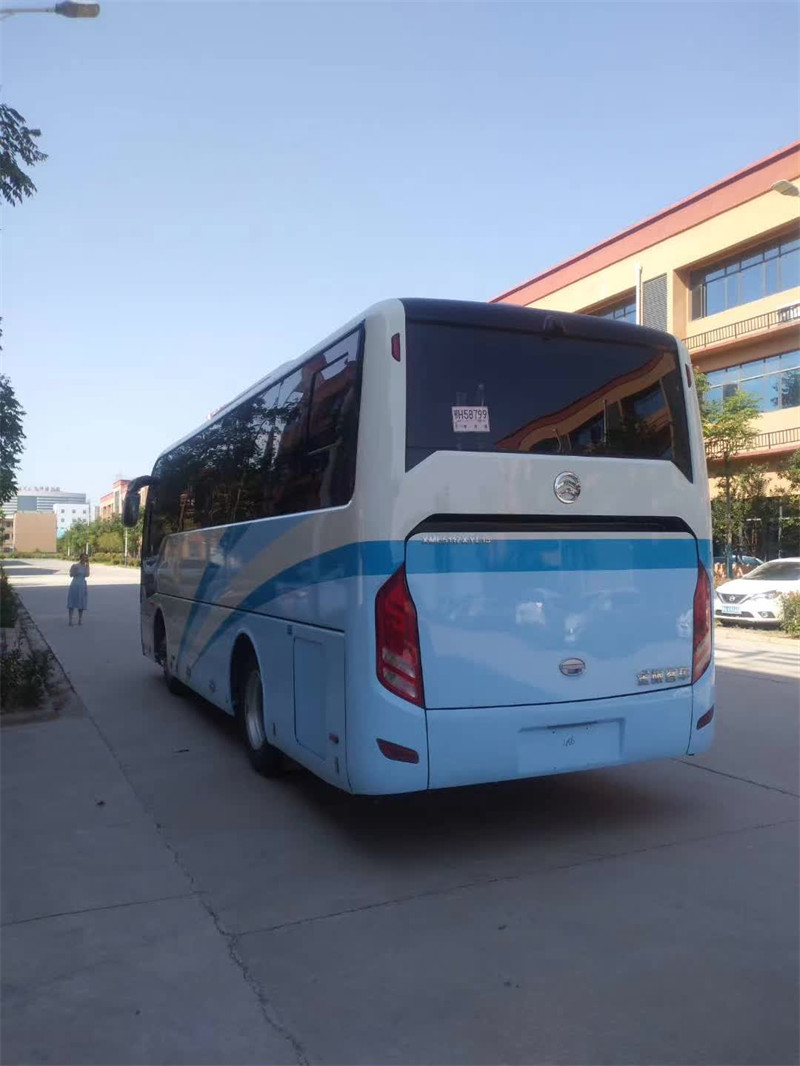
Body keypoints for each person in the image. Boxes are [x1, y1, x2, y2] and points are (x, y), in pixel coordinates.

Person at [67, 554, 90, 626]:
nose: (84, 559)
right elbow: (71, 575)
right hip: (75, 584)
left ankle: (80, 620)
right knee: (72, 601)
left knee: (81, 602)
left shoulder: (86, 566)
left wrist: (87, 566)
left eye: (86, 558)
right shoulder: (75, 566)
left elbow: (87, 575)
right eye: (83, 558)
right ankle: (70, 620)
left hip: (82, 585)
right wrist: (75, 571)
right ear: (80, 558)